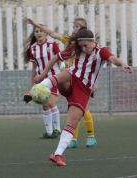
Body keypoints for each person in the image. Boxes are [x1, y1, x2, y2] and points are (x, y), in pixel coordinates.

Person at [34, 28, 133, 166]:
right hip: (71, 79)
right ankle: (39, 87)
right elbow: (56, 57)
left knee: (73, 121)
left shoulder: (101, 51)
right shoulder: (76, 48)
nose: (83, 48)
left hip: (83, 90)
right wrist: (43, 73)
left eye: (85, 45)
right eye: (81, 46)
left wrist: (123, 64)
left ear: (92, 42)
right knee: (66, 72)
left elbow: (112, 58)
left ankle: (57, 154)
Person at [26, 18, 97, 148]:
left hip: (83, 80)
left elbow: (95, 66)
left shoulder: (90, 46)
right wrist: (36, 24)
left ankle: (91, 136)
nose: (75, 28)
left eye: (78, 27)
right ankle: (73, 139)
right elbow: (52, 33)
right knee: (73, 109)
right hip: (71, 78)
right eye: (74, 26)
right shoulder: (69, 41)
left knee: (83, 109)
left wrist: (94, 84)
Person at [23, 25, 62, 138]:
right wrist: (32, 87)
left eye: (41, 31)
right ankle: (49, 132)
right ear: (34, 34)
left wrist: (64, 73)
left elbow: (60, 61)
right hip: (41, 80)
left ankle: (57, 129)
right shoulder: (33, 48)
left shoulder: (52, 44)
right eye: (36, 31)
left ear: (45, 33)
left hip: (54, 77)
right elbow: (34, 67)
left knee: (50, 103)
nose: (39, 33)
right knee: (45, 106)